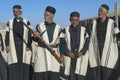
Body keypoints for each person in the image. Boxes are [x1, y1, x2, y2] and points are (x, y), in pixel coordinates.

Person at [89, 4, 119, 80]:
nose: (99, 12)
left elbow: (118, 34)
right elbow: (88, 35)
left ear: (106, 12)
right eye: (99, 11)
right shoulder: (93, 23)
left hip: (108, 50)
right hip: (96, 50)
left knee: (107, 72)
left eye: (101, 11)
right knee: (97, 73)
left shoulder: (112, 23)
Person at [32, 6, 64, 80]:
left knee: (53, 76)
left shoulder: (58, 28)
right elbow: (34, 39)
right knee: (40, 75)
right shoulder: (39, 26)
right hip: (42, 54)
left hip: (54, 56)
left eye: (47, 15)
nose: (45, 17)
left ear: (52, 16)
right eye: (44, 15)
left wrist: (62, 55)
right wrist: (35, 36)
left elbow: (62, 43)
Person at [5, 5, 32, 80]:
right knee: (14, 63)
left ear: (21, 12)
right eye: (14, 12)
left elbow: (30, 34)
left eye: (17, 11)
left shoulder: (26, 22)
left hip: (23, 46)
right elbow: (7, 35)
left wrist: (29, 45)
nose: (15, 13)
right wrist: (7, 45)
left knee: (24, 63)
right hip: (13, 46)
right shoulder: (9, 22)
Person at [63, 11, 90, 80]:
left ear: (79, 20)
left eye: (76, 20)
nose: (74, 22)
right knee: (71, 76)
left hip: (80, 55)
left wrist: (82, 52)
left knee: (80, 75)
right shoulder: (65, 30)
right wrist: (68, 52)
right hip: (70, 55)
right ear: (70, 20)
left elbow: (87, 43)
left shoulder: (84, 30)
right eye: (73, 20)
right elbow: (62, 43)